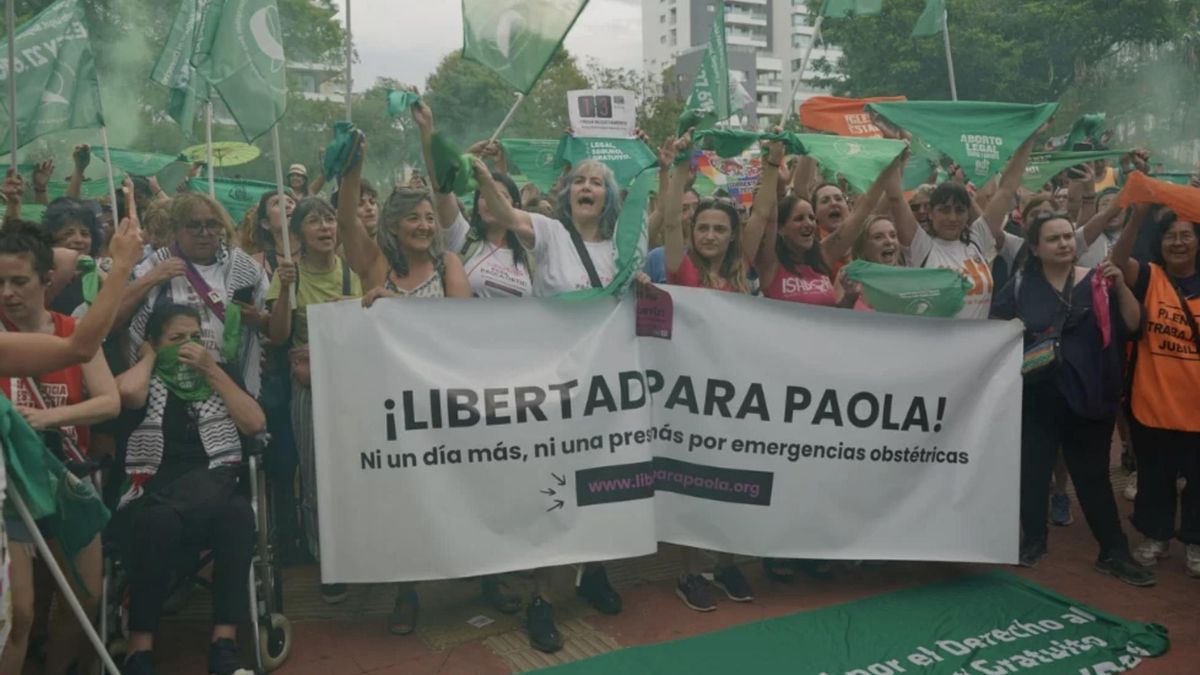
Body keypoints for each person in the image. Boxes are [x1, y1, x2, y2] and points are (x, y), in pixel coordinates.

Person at [335, 133, 471, 635]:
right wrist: (354, 167)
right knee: (403, 500)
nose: (423, 225)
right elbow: (347, 220)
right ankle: (407, 592)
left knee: (462, 492)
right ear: (393, 224)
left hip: (445, 405)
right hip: (391, 408)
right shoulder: (376, 266)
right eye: (413, 217)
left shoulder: (449, 265)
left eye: (429, 218)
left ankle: (484, 577)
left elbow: (465, 330)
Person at [989, 212, 1153, 586]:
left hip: (1091, 397)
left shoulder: (1100, 280)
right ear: (1035, 248)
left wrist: (1122, 287)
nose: (1064, 243)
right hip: (1038, 398)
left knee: (1093, 478)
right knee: (1032, 473)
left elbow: (1134, 325)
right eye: (1054, 239)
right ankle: (1033, 542)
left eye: (1067, 236)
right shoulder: (1019, 286)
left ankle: (1113, 551)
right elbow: (996, 333)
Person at [113, 304, 266, 675]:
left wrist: (212, 371)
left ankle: (224, 641)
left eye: (195, 337)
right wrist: (150, 358)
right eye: (176, 339)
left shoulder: (218, 374)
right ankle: (140, 647)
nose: (188, 346)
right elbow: (126, 394)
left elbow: (255, 423)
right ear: (154, 342)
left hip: (214, 482)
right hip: (153, 487)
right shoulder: (144, 380)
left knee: (238, 516)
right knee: (158, 522)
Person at [0, 224, 121, 675]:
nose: (8, 294)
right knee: (21, 611)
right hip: (12, 489)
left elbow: (108, 401)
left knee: (85, 597)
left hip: (66, 477)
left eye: (19, 281)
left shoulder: (71, 329)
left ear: (47, 281)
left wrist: (49, 418)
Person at [265, 198, 362, 603]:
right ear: (298, 233)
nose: (325, 228)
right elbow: (278, 335)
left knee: (353, 468)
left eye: (329, 219)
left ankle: (357, 548)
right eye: (314, 222)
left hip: (349, 384)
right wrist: (286, 289)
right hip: (306, 389)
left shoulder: (350, 274)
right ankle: (326, 558)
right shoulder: (287, 275)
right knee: (315, 471)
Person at [1110, 202, 1200, 578]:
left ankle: (1195, 542)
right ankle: (1156, 537)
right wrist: (1138, 214)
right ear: (1158, 242)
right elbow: (1118, 258)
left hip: (1196, 407)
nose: (1178, 243)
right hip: (1152, 402)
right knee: (1154, 478)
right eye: (1169, 236)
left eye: (1186, 235)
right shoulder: (1149, 277)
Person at [123, 193, 270, 398]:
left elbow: (273, 330)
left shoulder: (245, 268)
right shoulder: (155, 265)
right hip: (166, 391)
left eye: (212, 224)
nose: (205, 233)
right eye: (194, 225)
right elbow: (116, 318)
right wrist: (152, 278)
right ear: (176, 229)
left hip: (230, 388)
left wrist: (258, 319)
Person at [895, 124, 1045, 319]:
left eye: (959, 210)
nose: (952, 218)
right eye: (944, 210)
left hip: (978, 347)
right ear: (930, 213)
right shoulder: (921, 247)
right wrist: (896, 148)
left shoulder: (978, 239)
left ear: (968, 214)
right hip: (934, 345)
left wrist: (1029, 137)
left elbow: (1006, 189)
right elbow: (895, 199)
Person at [743, 142, 903, 309]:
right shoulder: (770, 262)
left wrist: (893, 163)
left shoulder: (822, 256)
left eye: (812, 218)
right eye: (799, 219)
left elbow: (864, 208)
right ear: (781, 228)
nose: (808, 223)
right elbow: (765, 215)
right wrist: (772, 165)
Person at [413, 102, 533, 298]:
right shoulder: (462, 238)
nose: (490, 202)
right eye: (484, 196)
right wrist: (427, 128)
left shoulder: (531, 256)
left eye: (499, 197)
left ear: (516, 207)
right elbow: (441, 186)